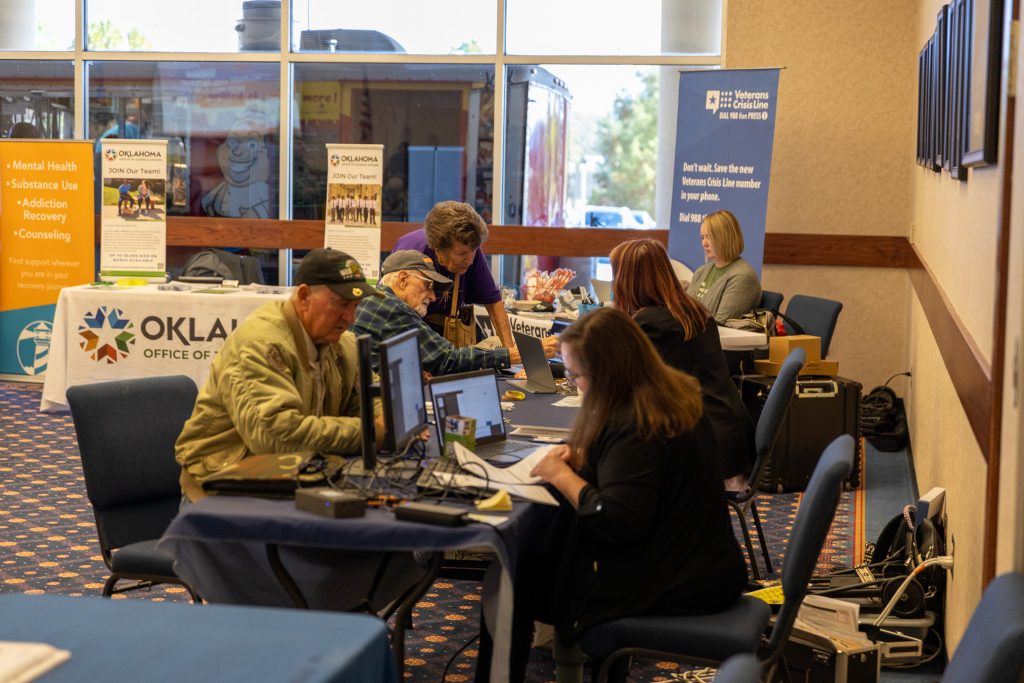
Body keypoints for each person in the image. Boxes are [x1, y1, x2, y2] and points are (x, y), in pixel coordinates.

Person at [478, 307, 746, 682]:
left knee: (510, 579)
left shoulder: (635, 421)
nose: (574, 383)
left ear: (606, 371)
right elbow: (653, 474)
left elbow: (615, 520)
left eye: (576, 375)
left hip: (675, 581)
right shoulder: (669, 394)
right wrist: (593, 458)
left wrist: (560, 474)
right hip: (705, 562)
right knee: (538, 554)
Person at [174, 248, 385, 503]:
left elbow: (367, 398)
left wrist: (383, 420)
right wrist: (372, 432)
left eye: (356, 306)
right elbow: (276, 438)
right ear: (304, 296)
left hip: (291, 476)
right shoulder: (261, 344)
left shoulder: (342, 343)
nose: (350, 318)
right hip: (223, 488)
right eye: (341, 305)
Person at [611, 238, 755, 489]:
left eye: (617, 274)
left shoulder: (652, 323)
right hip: (728, 440)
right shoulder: (692, 312)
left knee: (616, 465)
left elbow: (621, 381)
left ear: (629, 278)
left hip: (704, 452)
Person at [352, 250, 555, 376]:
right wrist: (522, 353)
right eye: (428, 285)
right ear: (403, 279)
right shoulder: (393, 308)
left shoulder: (374, 300)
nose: (432, 297)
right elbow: (449, 360)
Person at [393, 200, 532, 353]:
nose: (471, 260)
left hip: (447, 337)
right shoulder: (412, 254)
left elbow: (494, 304)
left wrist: (510, 354)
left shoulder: (470, 249)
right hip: (408, 333)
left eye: (474, 250)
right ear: (438, 249)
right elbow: (394, 314)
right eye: (462, 254)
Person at [686, 209, 762, 324]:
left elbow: (720, 324)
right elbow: (684, 313)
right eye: (702, 237)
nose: (704, 243)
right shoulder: (701, 271)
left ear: (725, 237)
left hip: (715, 340)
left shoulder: (743, 276)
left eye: (709, 237)